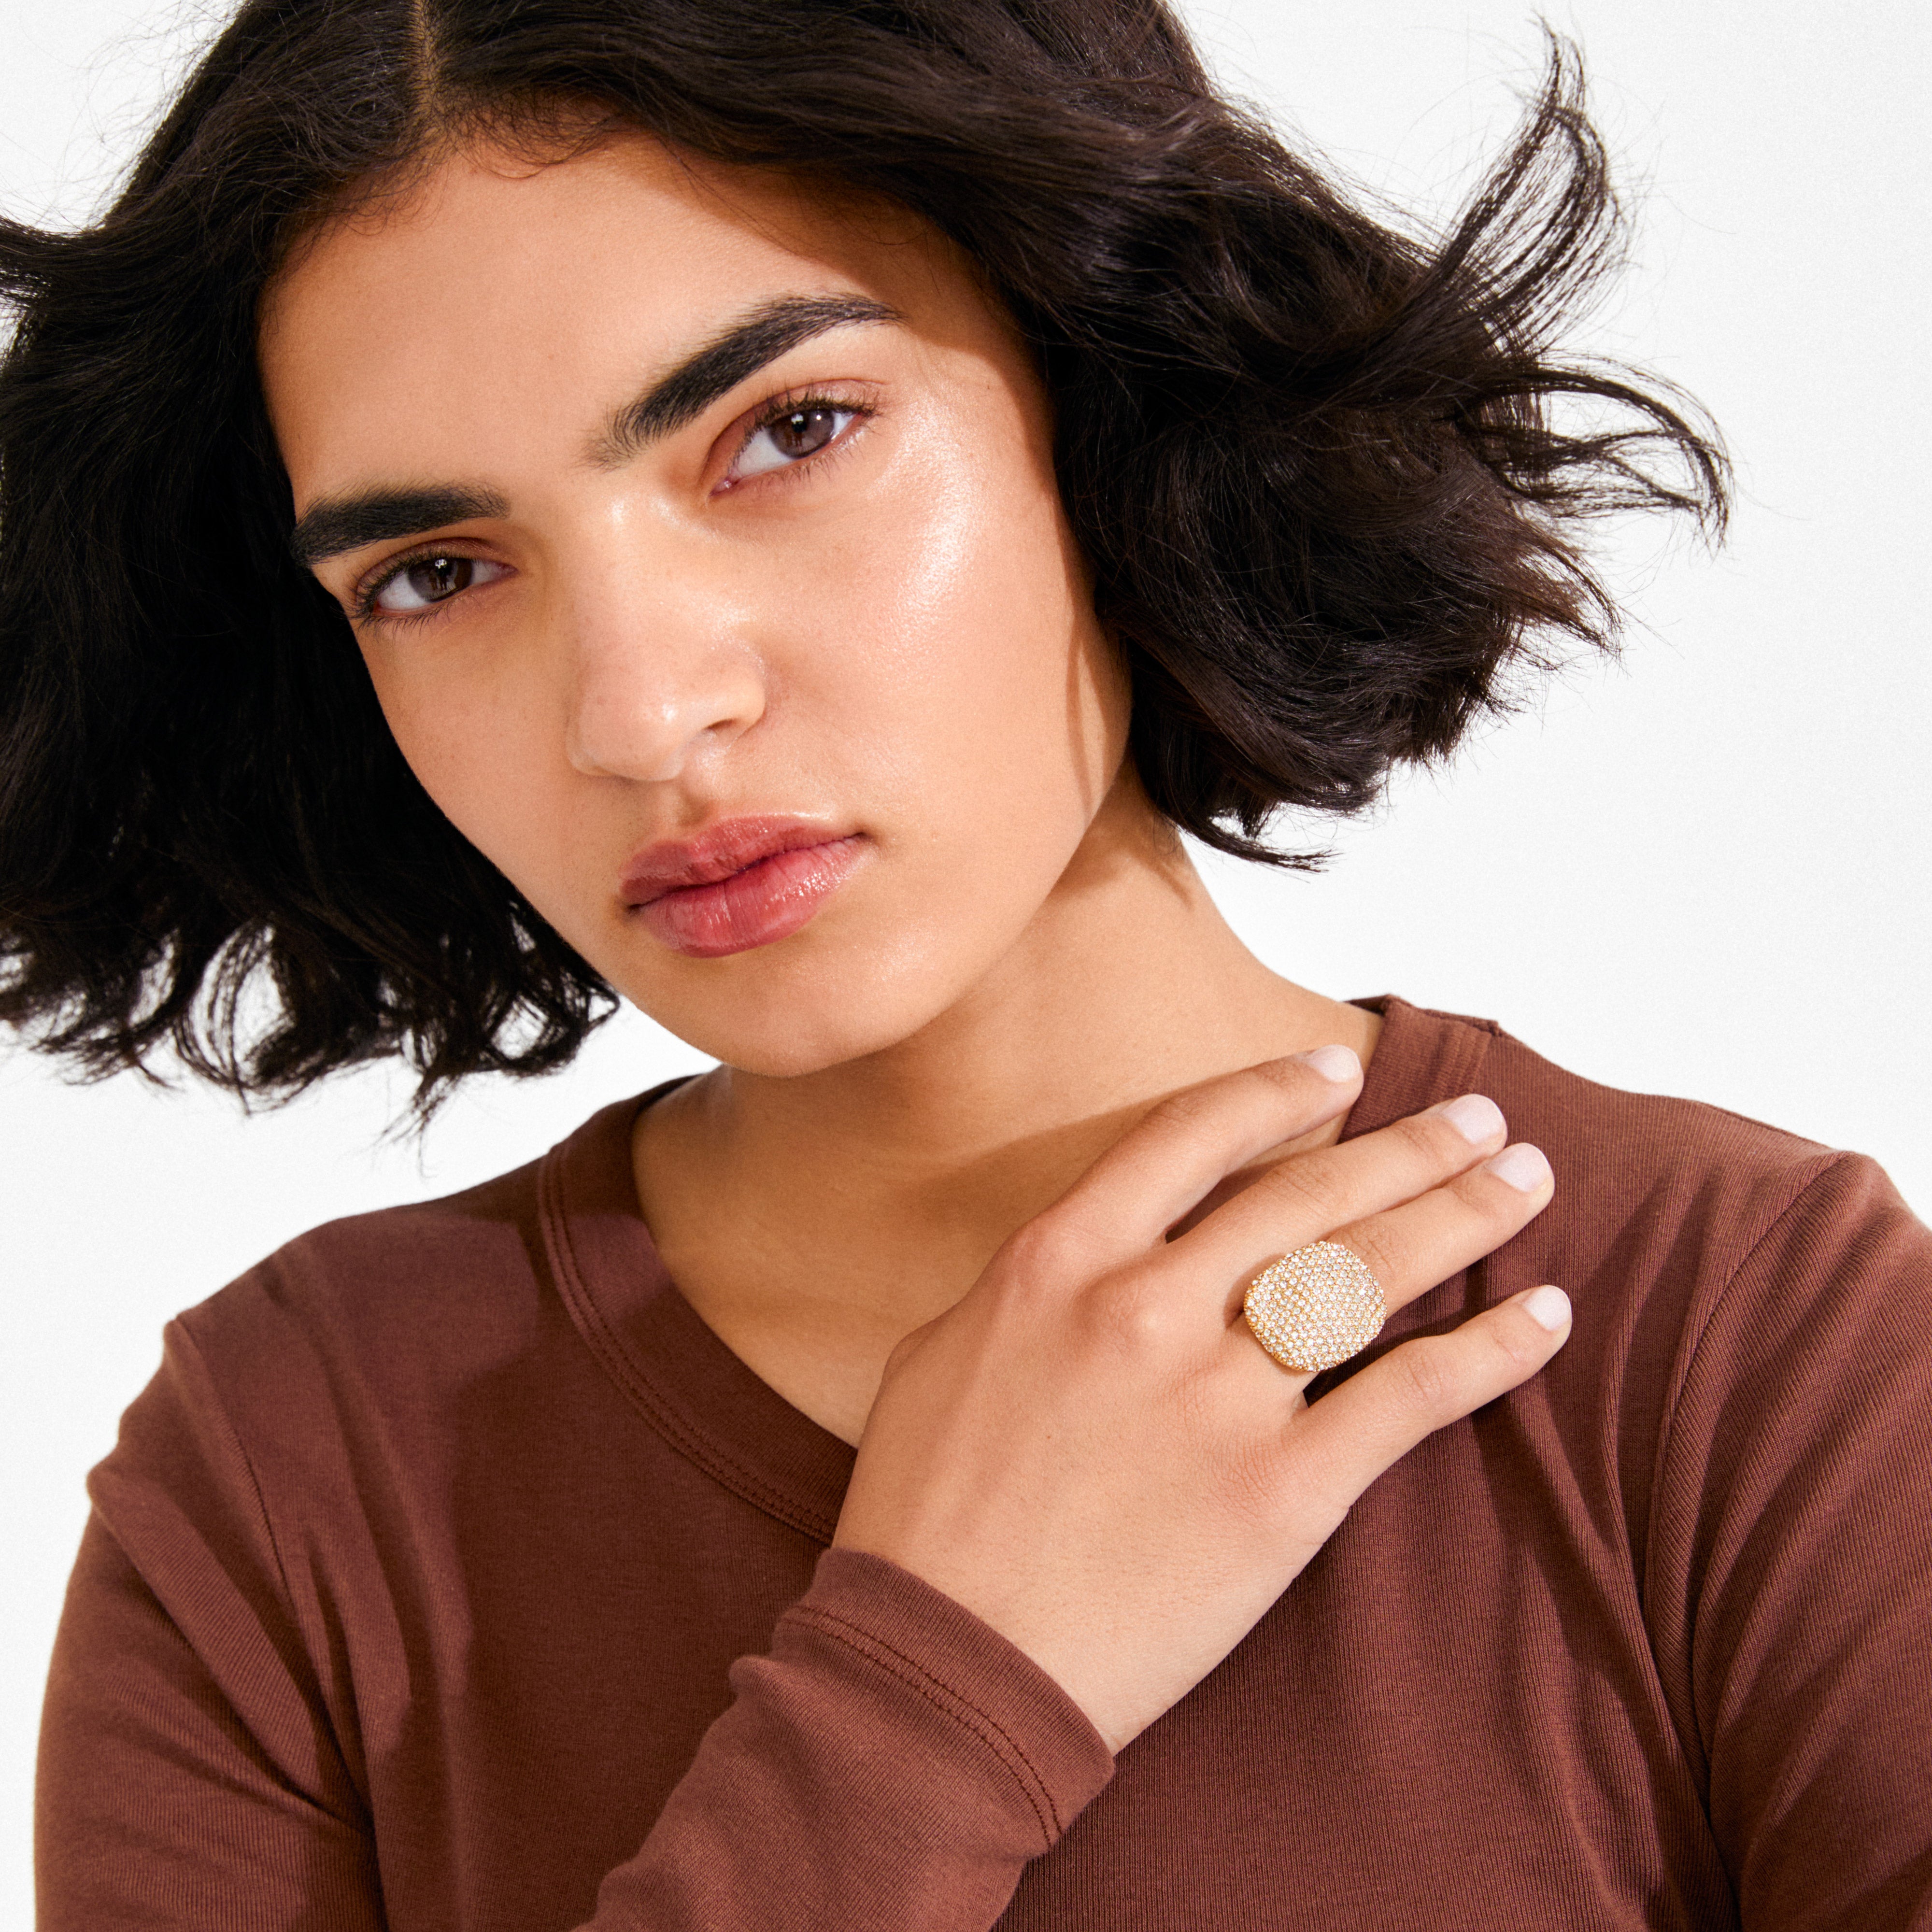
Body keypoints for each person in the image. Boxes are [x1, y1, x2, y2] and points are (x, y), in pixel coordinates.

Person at [2, 0, 1926, 1927]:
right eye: (437, 571)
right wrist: (936, 1687)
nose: (643, 712)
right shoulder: (286, 1486)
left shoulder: (1740, 1347)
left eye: (787, 432)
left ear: (1103, 393)